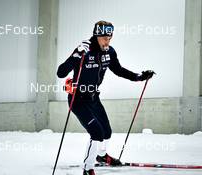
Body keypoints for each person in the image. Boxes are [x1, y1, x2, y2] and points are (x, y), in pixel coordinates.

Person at [57, 21, 154, 175]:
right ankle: (88, 169)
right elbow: (60, 72)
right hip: (78, 99)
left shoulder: (109, 52)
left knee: (107, 132)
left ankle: (101, 157)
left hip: (94, 98)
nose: (107, 41)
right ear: (96, 36)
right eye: (103, 38)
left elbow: (119, 70)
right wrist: (76, 53)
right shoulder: (84, 51)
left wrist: (139, 77)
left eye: (109, 37)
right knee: (96, 132)